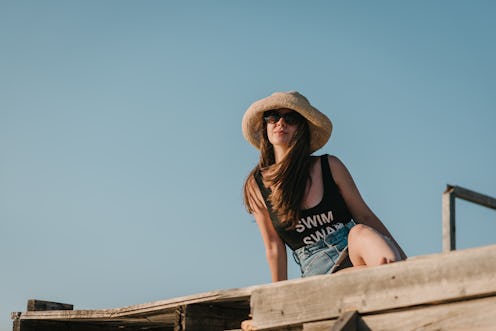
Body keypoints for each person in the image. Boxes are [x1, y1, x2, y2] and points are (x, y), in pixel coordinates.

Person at [242, 91, 407, 281]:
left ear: (301, 128)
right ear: (265, 125)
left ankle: (403, 276)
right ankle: (395, 279)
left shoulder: (330, 166)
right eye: (273, 117)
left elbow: (364, 216)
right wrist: (277, 298)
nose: (281, 123)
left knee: (360, 232)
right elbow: (273, 247)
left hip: (354, 248)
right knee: (372, 274)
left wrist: (407, 260)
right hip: (318, 269)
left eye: (291, 117)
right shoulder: (257, 185)